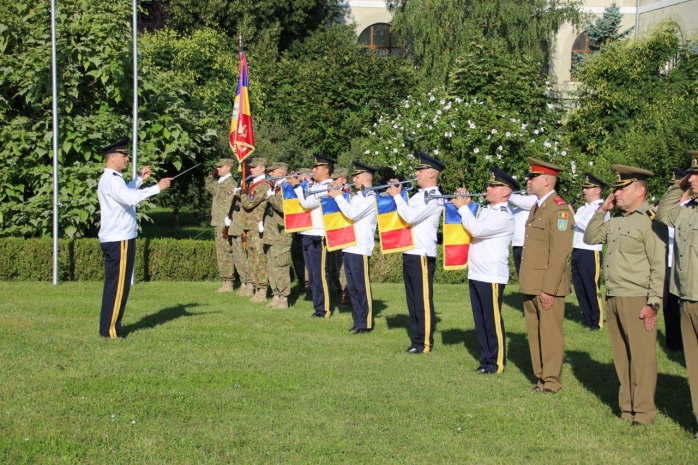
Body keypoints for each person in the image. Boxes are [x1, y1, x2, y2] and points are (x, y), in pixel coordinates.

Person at [585, 165, 666, 425]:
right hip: (614, 295)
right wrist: (602, 211)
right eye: (616, 188)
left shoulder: (651, 220)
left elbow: (658, 265)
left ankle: (643, 413)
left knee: (641, 358)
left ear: (640, 191)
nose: (617, 193)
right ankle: (627, 408)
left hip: (638, 297)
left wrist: (653, 302)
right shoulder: (616, 219)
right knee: (621, 357)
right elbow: (590, 238)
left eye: (623, 188)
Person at [97, 137, 172, 338]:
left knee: (116, 285)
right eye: (124, 155)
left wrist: (139, 179)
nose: (127, 158)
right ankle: (110, 331)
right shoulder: (112, 179)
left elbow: (124, 193)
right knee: (118, 287)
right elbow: (130, 198)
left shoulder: (113, 178)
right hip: (119, 238)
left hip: (118, 237)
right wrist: (158, 187)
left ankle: (109, 328)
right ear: (113, 158)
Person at [452, 167, 517, 373]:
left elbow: (477, 229)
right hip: (477, 272)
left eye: (494, 185)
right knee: (480, 321)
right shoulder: (487, 210)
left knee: (492, 320)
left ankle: (496, 362)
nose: (488, 188)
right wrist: (466, 203)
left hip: (491, 275)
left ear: (505, 192)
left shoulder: (504, 215)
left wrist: (463, 208)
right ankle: (485, 360)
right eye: (489, 184)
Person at [519, 157, 574, 393]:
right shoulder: (537, 206)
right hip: (532, 282)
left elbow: (560, 253)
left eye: (533, 178)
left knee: (550, 334)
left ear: (547, 181)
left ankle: (551, 381)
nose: (529, 181)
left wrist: (549, 288)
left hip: (547, 284)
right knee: (534, 332)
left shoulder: (559, 209)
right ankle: (541, 377)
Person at [656, 152, 698, 438]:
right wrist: (681, 184)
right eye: (691, 174)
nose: (692, 179)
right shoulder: (687, 209)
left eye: (696, 175)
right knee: (694, 368)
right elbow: (661, 214)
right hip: (687, 297)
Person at [386, 152, 444, 354]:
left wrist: (396, 197)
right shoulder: (418, 195)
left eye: (420, 171)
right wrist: (398, 194)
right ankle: (416, 340)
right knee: (412, 300)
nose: (416, 173)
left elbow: (410, 217)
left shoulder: (435, 197)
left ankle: (425, 342)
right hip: (410, 251)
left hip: (422, 253)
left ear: (431, 174)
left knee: (422, 301)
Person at [328, 161, 379, 334]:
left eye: (357, 176)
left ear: (366, 177)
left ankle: (366, 323)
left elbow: (352, 214)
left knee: (361, 287)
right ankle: (358, 321)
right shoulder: (357, 196)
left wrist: (338, 197)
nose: (354, 179)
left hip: (361, 247)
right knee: (353, 288)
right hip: (349, 245)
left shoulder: (371, 197)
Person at [287, 154, 336, 318]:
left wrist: (297, 187)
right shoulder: (316, 185)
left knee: (320, 274)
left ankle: (324, 309)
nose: (313, 170)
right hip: (308, 232)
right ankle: (318, 307)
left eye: (316, 167)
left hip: (319, 234)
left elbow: (307, 203)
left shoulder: (329, 187)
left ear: (326, 170)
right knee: (313, 274)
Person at [570, 173, 608, 331]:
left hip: (591, 251)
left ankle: (597, 321)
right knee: (580, 288)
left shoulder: (602, 208)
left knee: (592, 287)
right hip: (577, 249)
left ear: (598, 190)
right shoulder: (581, 208)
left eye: (588, 187)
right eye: (584, 187)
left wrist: (573, 216)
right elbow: (574, 226)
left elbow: (590, 228)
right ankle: (587, 319)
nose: (584, 190)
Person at [659, 168, 689, 352]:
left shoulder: (687, 209)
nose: (671, 189)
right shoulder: (673, 209)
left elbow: (674, 232)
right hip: (669, 262)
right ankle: (673, 342)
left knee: (683, 306)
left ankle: (683, 342)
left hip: (683, 264)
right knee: (669, 304)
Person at [205, 158, 238, 292]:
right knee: (221, 252)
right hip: (218, 221)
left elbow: (230, 203)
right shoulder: (221, 182)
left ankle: (228, 282)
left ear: (228, 168)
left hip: (225, 222)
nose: (217, 169)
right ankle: (225, 280)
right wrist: (210, 176)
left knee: (225, 252)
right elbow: (210, 187)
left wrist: (227, 221)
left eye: (220, 167)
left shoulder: (230, 184)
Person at [240, 158, 270, 302]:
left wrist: (243, 193)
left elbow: (249, 203)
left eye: (254, 167)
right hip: (249, 226)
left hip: (257, 227)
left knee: (259, 259)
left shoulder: (263, 186)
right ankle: (254, 286)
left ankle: (262, 290)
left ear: (262, 168)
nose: (250, 170)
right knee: (252, 259)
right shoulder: (253, 184)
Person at [263, 162, 293, 309]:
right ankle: (275, 295)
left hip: (282, 235)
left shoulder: (288, 188)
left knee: (281, 267)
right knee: (272, 267)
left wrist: (271, 198)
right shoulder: (274, 188)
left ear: (281, 173)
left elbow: (284, 207)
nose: (270, 174)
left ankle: (283, 298)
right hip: (271, 234)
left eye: (272, 172)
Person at [329, 167, 350, 305]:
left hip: (346, 234)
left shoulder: (350, 194)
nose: (333, 182)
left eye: (336, 179)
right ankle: (338, 292)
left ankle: (347, 295)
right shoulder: (331, 193)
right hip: (334, 232)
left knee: (344, 267)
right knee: (334, 266)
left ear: (344, 180)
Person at [509, 192, 536, 278]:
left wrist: (505, 194)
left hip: (529, 245)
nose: (528, 184)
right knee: (521, 277)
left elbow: (519, 200)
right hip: (517, 245)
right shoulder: (519, 207)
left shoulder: (536, 199)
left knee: (530, 277)